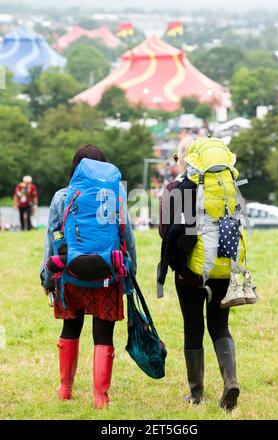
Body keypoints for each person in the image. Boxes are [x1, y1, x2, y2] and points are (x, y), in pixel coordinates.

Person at [40, 144, 137, 409]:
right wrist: (130, 274)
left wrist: (47, 277)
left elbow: (51, 238)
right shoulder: (115, 194)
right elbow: (126, 236)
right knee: (103, 332)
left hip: (70, 274)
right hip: (107, 274)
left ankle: (65, 389)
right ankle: (100, 399)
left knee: (71, 327)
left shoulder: (63, 195)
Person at [158, 136, 240, 411]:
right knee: (220, 325)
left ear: (184, 159)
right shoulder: (225, 185)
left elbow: (166, 231)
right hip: (222, 265)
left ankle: (196, 394)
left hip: (189, 273)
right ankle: (230, 380)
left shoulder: (176, 189)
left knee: (193, 327)